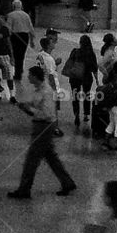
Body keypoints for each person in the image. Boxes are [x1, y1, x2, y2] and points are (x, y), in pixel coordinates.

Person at [8, 65, 76, 199]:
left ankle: (24, 189)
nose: (28, 78)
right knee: (51, 157)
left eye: (30, 75)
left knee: (31, 160)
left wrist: (30, 109)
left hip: (43, 127)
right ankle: (67, 182)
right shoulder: (39, 89)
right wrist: (24, 106)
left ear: (35, 76)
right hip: (43, 126)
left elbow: (46, 113)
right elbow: (36, 105)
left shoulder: (46, 91)